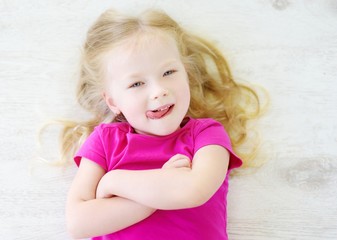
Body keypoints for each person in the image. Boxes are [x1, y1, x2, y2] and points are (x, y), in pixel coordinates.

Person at [58, 9, 265, 239]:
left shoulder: (207, 135)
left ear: (186, 73)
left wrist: (114, 182)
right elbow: (78, 224)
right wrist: (161, 184)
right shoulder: (105, 142)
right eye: (136, 84)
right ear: (113, 101)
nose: (159, 91)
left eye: (168, 72)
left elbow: (192, 191)